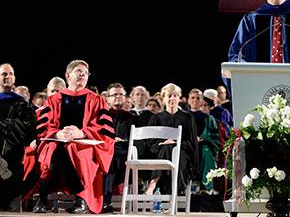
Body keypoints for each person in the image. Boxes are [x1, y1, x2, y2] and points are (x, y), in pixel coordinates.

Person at [27, 60, 115, 214]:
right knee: (51, 148)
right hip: (56, 140)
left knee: (74, 147)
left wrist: (82, 133)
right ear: (68, 75)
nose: (83, 75)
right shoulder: (53, 100)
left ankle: (81, 201)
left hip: (84, 143)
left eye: (85, 73)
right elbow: (43, 127)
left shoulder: (97, 100)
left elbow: (104, 130)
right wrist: (56, 133)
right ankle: (41, 198)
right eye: (79, 71)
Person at [145, 83, 199, 196]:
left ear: (179, 98)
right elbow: (150, 144)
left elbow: (192, 144)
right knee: (166, 148)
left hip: (182, 155)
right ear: (163, 99)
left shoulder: (188, 118)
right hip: (160, 155)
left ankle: (153, 183)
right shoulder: (156, 118)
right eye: (169, 96)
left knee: (170, 148)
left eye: (175, 95)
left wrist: (176, 143)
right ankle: (172, 196)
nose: (172, 98)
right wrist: (163, 143)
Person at [0, 63, 36, 210]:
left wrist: (6, 127)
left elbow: (28, 128)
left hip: (13, 157)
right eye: (4, 74)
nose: (8, 77)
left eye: (11, 74)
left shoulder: (22, 104)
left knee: (11, 206)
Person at [102, 83, 137, 213]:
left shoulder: (133, 117)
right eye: (114, 94)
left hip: (124, 153)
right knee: (109, 155)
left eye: (121, 94)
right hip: (104, 151)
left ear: (125, 98)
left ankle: (106, 200)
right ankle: (105, 200)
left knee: (113, 154)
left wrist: (123, 141)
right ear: (108, 98)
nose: (118, 97)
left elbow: (137, 141)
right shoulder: (101, 116)